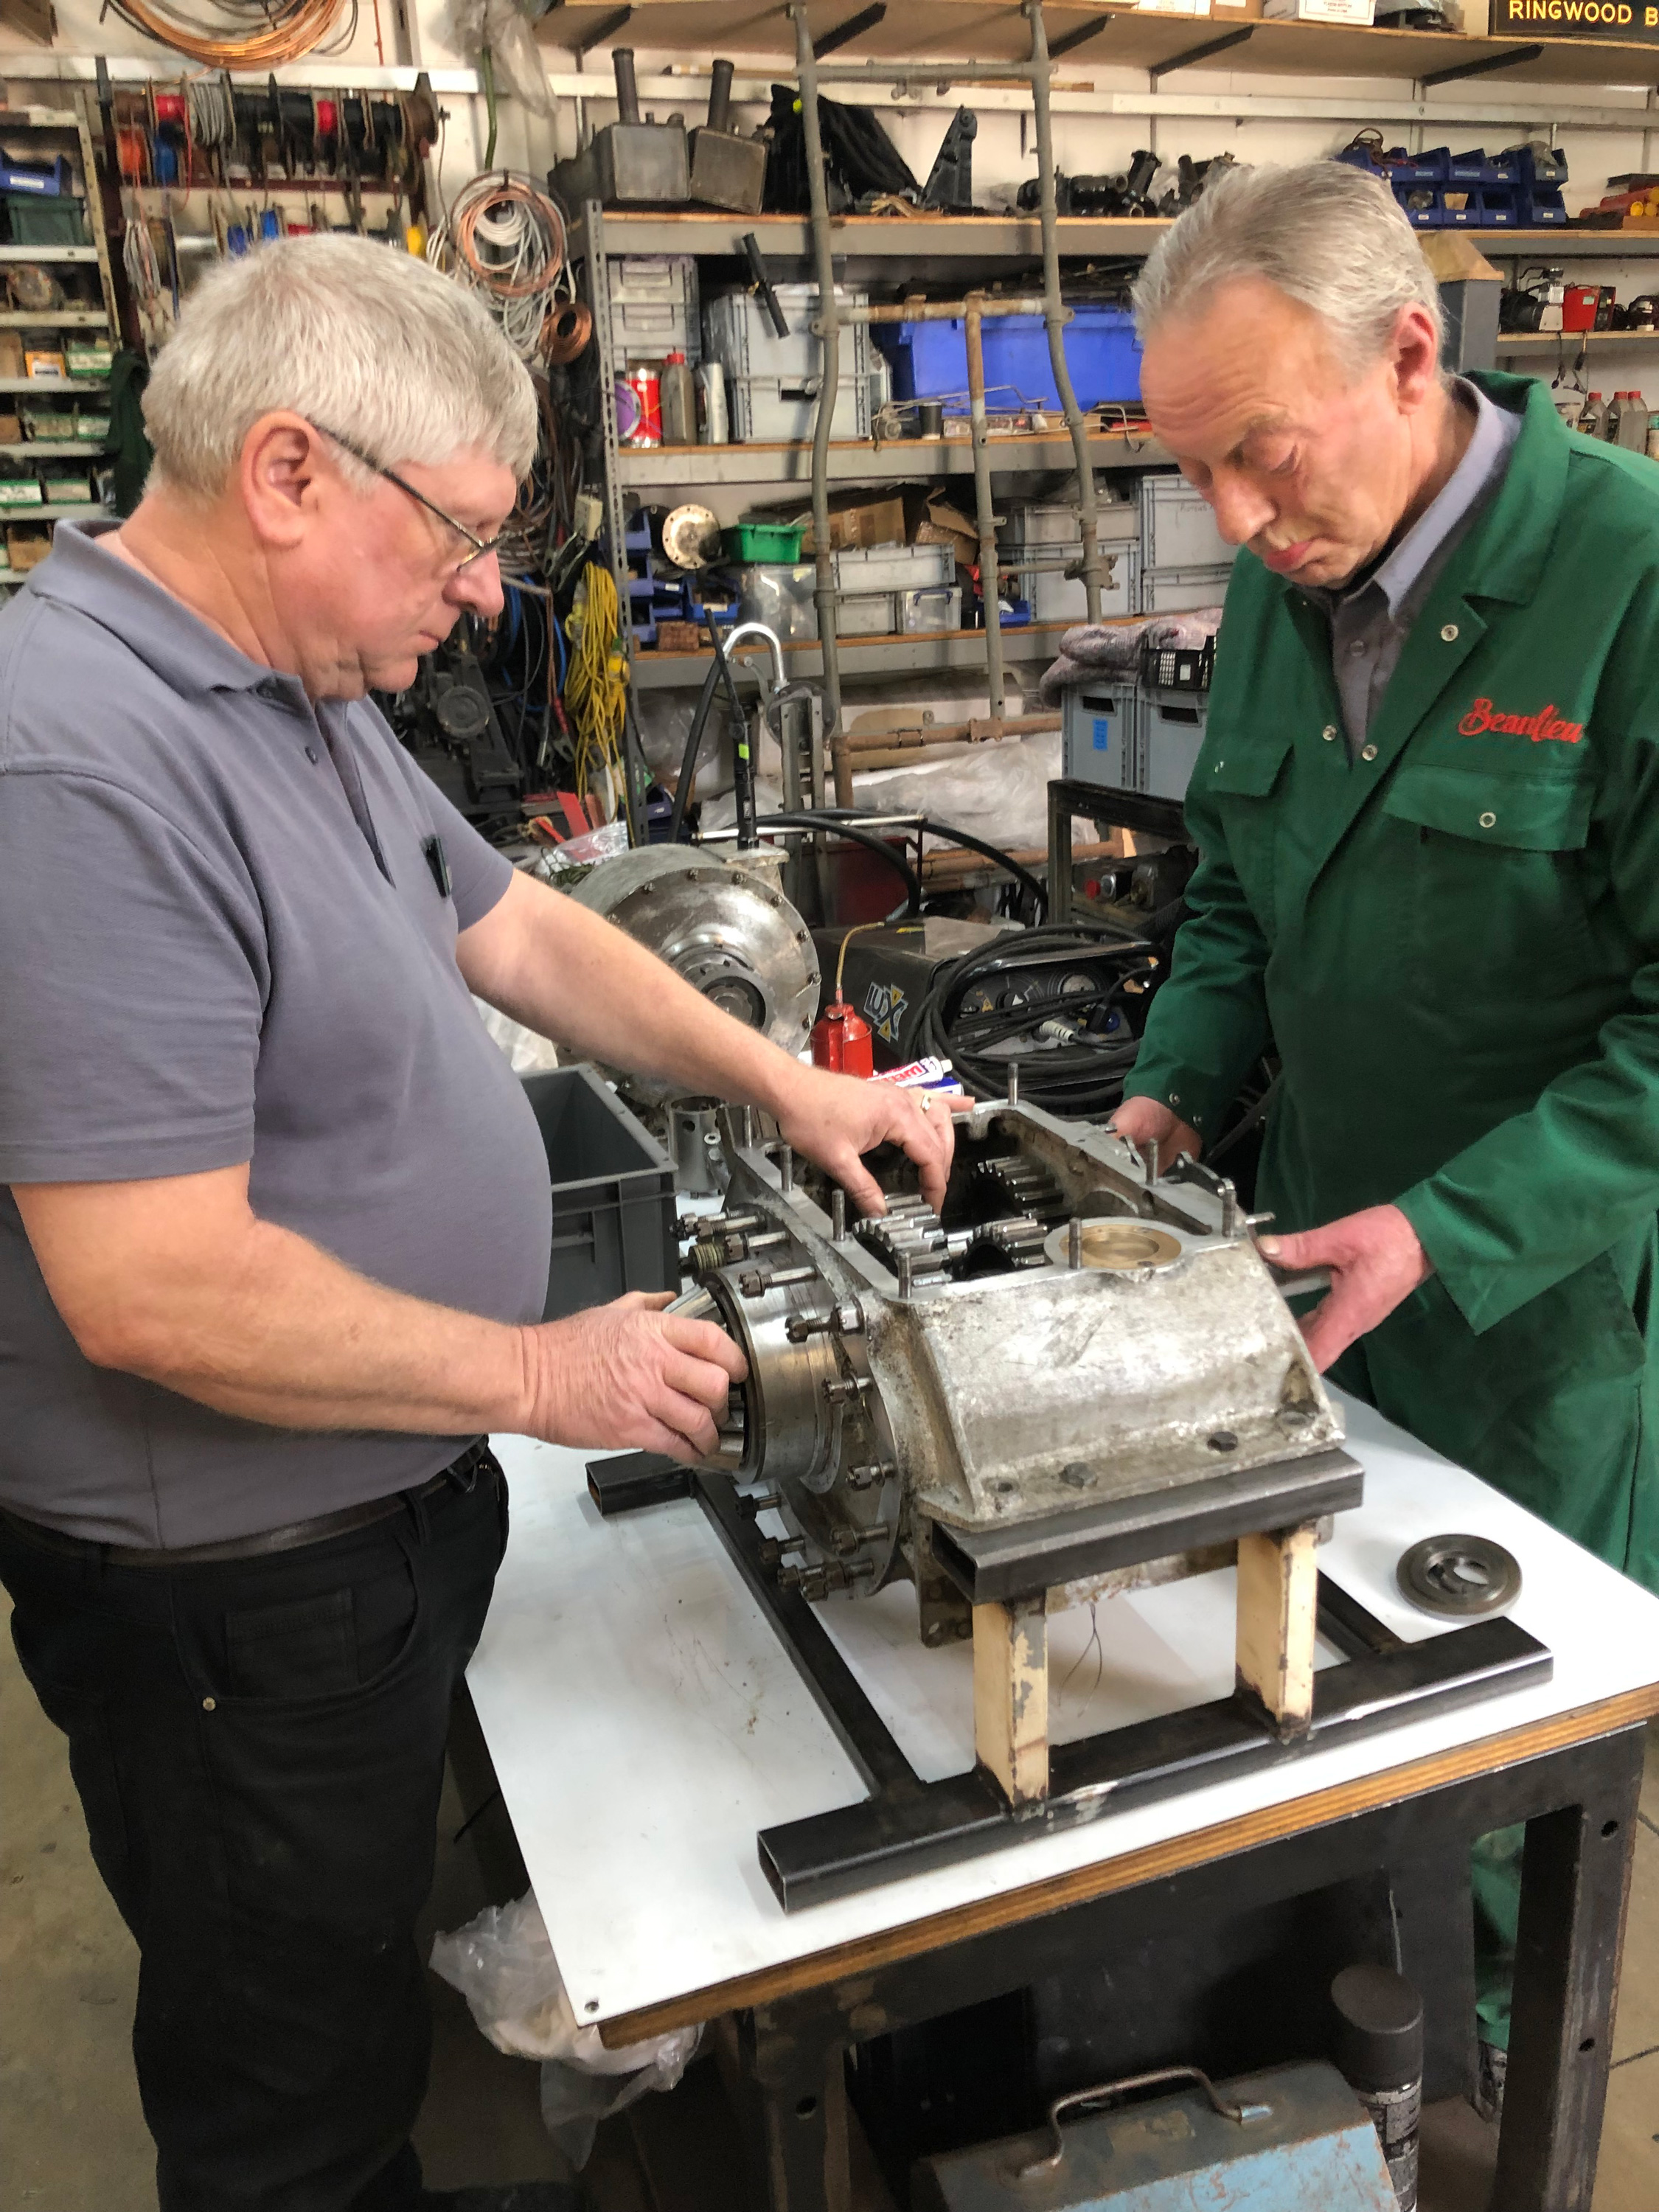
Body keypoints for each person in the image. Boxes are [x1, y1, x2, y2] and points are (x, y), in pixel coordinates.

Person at [0, 236, 953, 2212]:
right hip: (233, 1596)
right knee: (288, 2085)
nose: (487, 591)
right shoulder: (71, 765)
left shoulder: (287, 675)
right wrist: (543, 1367)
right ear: (287, 473)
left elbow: (512, 926)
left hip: (362, 1523)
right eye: (452, 533)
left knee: (338, 1979)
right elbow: (150, 1287)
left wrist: (788, 1083)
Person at [1111, 159, 1659, 2089]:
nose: (1233, 521)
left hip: (1539, 1313)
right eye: (1193, 473)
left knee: (1505, 1738)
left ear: (1411, 353)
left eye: (1260, 455)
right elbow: (1242, 893)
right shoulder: (1291, 579)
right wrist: (1169, 1092)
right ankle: (1327, 1993)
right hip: (1306, 1263)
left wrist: (1445, 1230)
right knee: (1313, 1680)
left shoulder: (1634, 584)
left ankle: (1486, 2073)